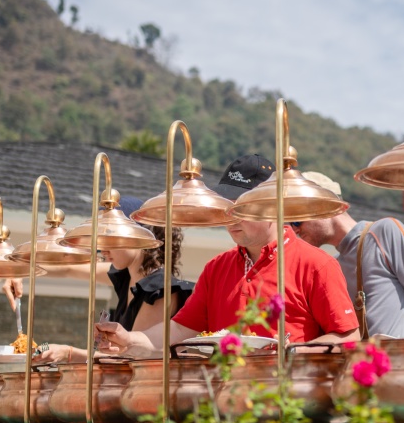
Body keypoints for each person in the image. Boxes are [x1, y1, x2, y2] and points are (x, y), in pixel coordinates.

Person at [97, 154, 359, 356]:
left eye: (242, 207)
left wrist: (292, 353)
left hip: (289, 409)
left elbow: (348, 337)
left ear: (273, 207)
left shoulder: (317, 264)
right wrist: (129, 338)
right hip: (224, 408)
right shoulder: (216, 268)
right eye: (226, 207)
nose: (230, 217)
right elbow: (178, 329)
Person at [291, 171, 404, 340]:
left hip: (402, 363)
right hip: (362, 365)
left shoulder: (384, 232)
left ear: (326, 206)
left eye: (296, 220)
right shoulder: (331, 266)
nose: (294, 230)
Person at [34, 217, 193, 364]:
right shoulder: (125, 276)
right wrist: (22, 273)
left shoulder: (160, 290)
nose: (103, 250)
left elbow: (131, 357)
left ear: (138, 236)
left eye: (111, 239)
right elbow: (68, 269)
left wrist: (67, 352)